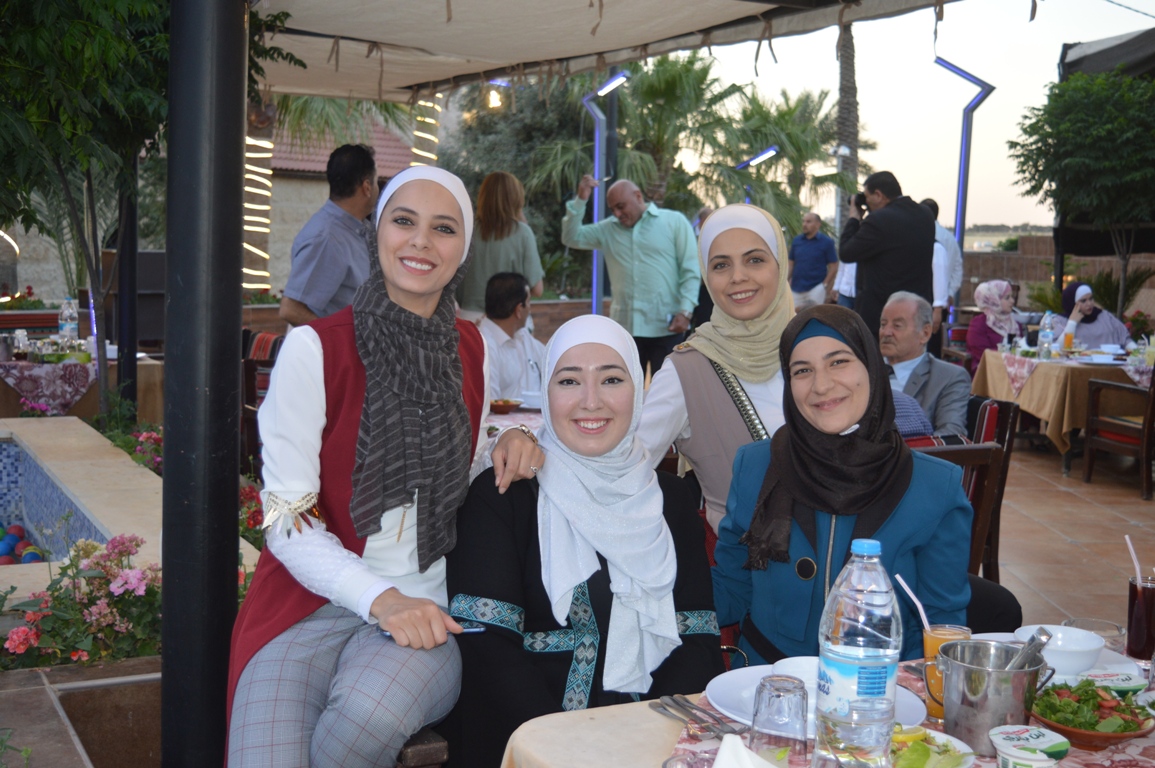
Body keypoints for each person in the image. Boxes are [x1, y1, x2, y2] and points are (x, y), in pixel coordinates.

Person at [227, 167, 544, 767]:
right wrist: (380, 599)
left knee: (366, 717)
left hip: (424, 611)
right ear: (378, 232)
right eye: (404, 221)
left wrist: (510, 439)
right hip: (305, 605)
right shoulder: (316, 348)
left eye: (443, 228)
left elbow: (461, 458)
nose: (421, 241)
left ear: (464, 249)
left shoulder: (471, 347)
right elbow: (288, 519)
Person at [443, 315, 725, 767]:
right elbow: (488, 649)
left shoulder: (670, 500)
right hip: (529, 743)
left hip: (653, 744)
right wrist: (567, 746)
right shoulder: (505, 495)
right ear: (547, 392)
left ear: (637, 390)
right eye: (569, 381)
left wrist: (642, 741)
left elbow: (698, 641)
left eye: (611, 379)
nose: (591, 401)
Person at [712, 304, 974, 663]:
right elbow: (731, 586)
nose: (821, 385)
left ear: (871, 367)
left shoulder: (935, 486)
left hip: (882, 687)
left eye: (838, 362)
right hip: (769, 681)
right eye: (802, 370)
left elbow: (942, 627)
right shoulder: (756, 466)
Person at [639, 203, 793, 533]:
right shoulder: (687, 371)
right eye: (721, 265)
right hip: (744, 562)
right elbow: (624, 468)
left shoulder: (818, 347)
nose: (738, 277)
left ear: (781, 265)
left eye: (755, 259)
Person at [561, 175, 699, 375]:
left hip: (667, 328)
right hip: (624, 332)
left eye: (621, 206)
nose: (617, 214)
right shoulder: (607, 229)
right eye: (613, 209)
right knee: (626, 392)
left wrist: (685, 312)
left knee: (669, 391)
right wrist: (581, 199)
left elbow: (690, 269)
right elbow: (570, 237)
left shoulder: (674, 222)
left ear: (638, 196)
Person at [280, 144, 378, 326]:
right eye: (376, 181)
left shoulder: (354, 229)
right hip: (337, 344)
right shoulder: (326, 238)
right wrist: (336, 337)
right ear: (367, 187)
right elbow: (291, 309)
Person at [839, 171, 936, 338]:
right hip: (916, 309)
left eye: (867, 196)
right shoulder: (925, 214)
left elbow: (846, 252)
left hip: (883, 314)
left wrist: (854, 219)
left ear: (878, 195)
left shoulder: (878, 220)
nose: (866, 202)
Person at [456, 171, 544, 322]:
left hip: (468, 319)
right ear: (516, 200)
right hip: (508, 322)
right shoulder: (523, 233)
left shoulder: (466, 231)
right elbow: (538, 289)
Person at [880, 292, 971, 436]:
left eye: (897, 326)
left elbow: (950, 434)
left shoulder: (948, 377)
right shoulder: (864, 369)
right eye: (883, 324)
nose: (886, 332)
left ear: (925, 333)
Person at [478, 272, 546, 400]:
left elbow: (552, 359)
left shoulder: (523, 336)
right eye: (528, 302)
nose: (530, 309)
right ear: (519, 310)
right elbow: (490, 403)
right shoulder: (485, 345)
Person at [1051, 282, 1135, 350]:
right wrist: (1072, 323)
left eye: (1091, 299)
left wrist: (1137, 352)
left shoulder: (1105, 317)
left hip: (1109, 363)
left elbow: (1125, 339)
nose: (1089, 304)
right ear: (1072, 303)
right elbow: (1056, 349)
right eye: (1083, 301)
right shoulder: (1061, 321)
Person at [968, 280, 1023, 375]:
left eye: (1012, 297)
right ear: (994, 300)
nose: (1012, 301)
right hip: (986, 371)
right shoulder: (979, 324)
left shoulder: (1015, 324)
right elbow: (982, 354)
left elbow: (1021, 348)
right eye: (1007, 298)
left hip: (1014, 368)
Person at [788, 212, 838, 310]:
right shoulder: (796, 241)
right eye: (803, 221)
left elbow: (834, 266)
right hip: (796, 288)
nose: (804, 224)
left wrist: (824, 285)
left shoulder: (827, 242)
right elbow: (791, 264)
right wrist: (785, 281)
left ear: (818, 224)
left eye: (808, 222)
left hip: (815, 288)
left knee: (814, 315)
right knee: (793, 316)